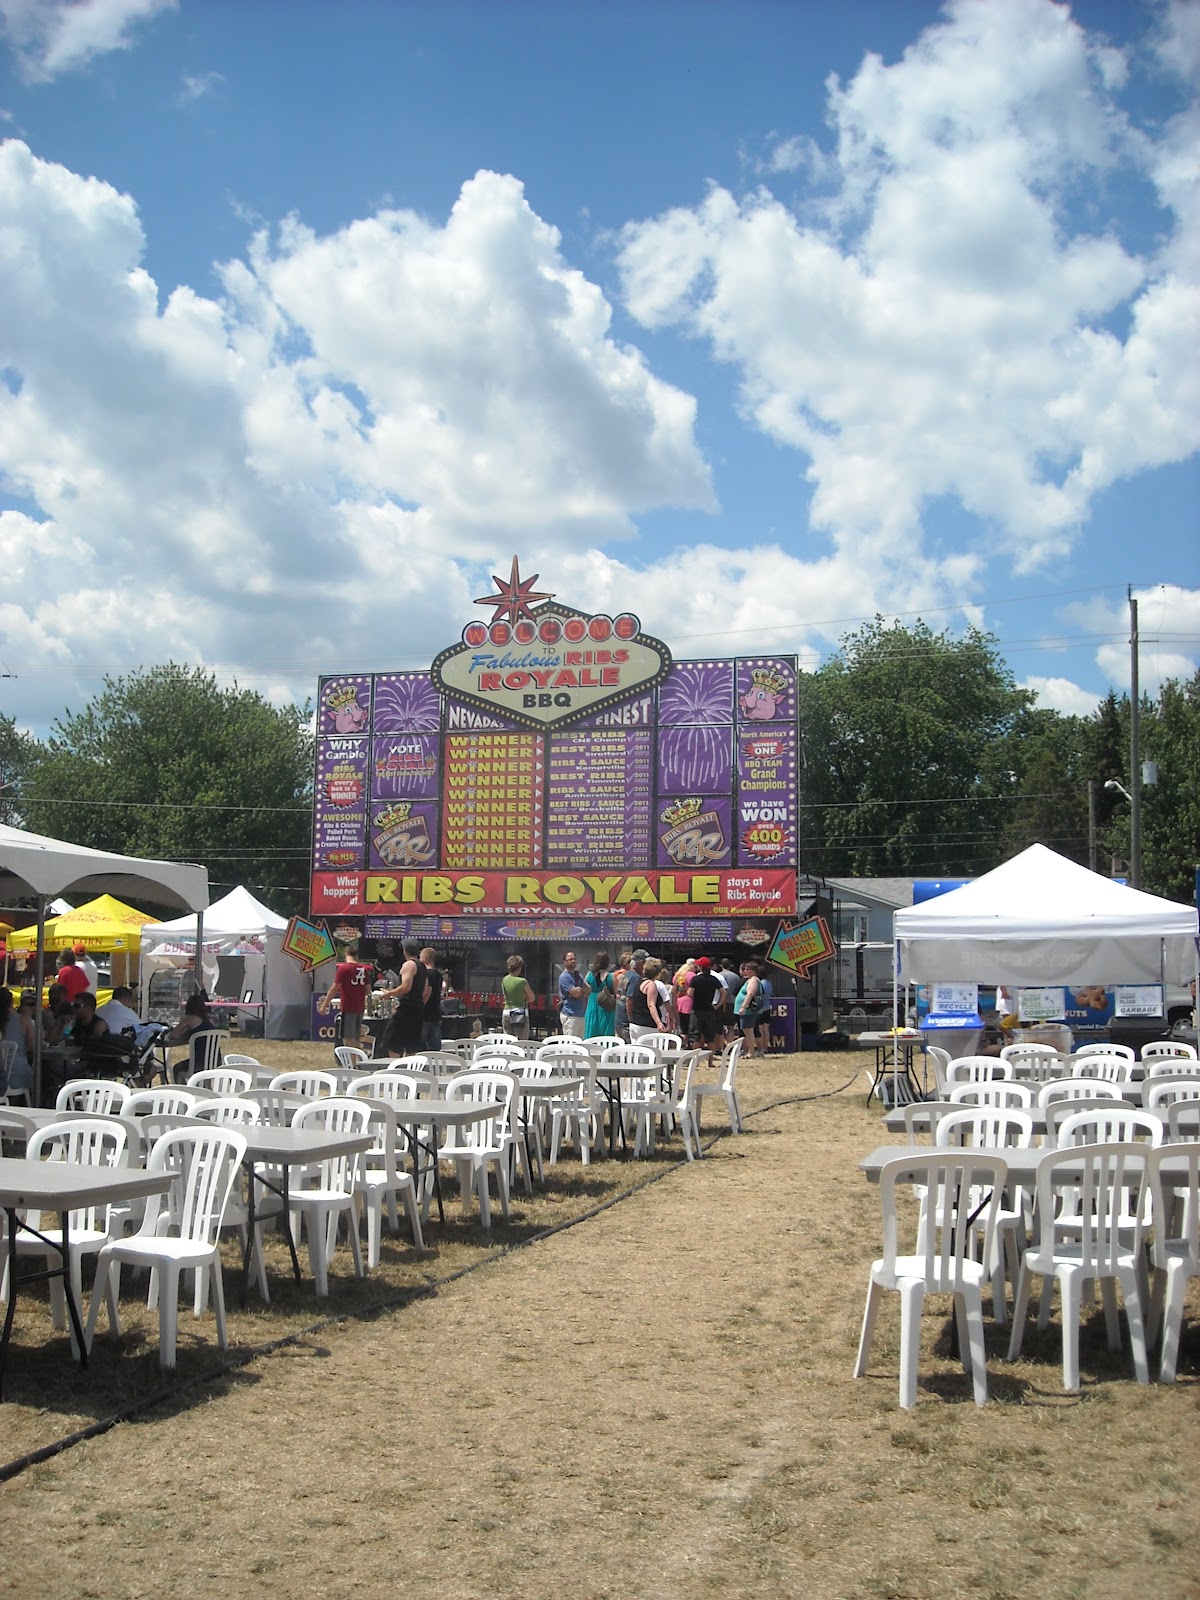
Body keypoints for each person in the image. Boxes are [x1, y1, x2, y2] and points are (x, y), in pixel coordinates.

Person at [375, 942, 428, 1058]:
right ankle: (409, 1070)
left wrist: (389, 993)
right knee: (411, 1045)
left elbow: (406, 987)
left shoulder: (409, 965)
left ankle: (395, 1068)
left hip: (405, 1009)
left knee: (392, 1042)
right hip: (418, 1009)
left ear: (405, 951)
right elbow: (426, 990)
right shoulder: (422, 966)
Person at [319, 944, 372, 1044]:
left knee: (347, 1038)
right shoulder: (364, 969)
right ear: (357, 955)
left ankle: (351, 1059)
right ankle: (357, 1058)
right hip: (360, 1007)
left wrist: (324, 1005)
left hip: (348, 1007)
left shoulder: (344, 969)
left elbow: (334, 989)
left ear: (346, 954)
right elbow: (368, 990)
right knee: (357, 1037)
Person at [0, 986, 35, 1098]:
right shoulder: (23, 1020)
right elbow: (32, 1047)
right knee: (40, 1075)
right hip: (17, 1074)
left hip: (4, 1076)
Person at [688, 956, 725, 1050]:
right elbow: (723, 992)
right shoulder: (713, 979)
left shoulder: (696, 979)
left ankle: (695, 1060)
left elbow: (690, 993)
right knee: (710, 1037)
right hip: (709, 1009)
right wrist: (718, 1005)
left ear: (700, 967)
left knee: (696, 1036)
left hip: (697, 1009)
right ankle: (710, 1061)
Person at [628, 957, 667, 1042]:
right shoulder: (651, 985)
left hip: (635, 1023)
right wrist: (658, 1022)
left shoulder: (638, 983)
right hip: (647, 1025)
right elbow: (651, 1005)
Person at [500, 954, 535, 1040]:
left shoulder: (505, 979)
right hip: (519, 1013)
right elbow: (532, 998)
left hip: (507, 1012)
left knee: (508, 1040)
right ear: (520, 967)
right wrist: (525, 998)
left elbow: (505, 996)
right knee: (521, 1041)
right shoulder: (522, 981)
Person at [734, 962, 764, 1058]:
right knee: (746, 1030)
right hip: (746, 1010)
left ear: (753, 970)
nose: (745, 971)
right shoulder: (750, 980)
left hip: (749, 1010)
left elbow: (750, 993)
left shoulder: (754, 980)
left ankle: (751, 1052)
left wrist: (743, 1006)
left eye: (747, 969)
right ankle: (749, 1051)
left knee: (749, 1030)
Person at [584, 951, 615, 1038]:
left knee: (591, 1028)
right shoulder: (610, 976)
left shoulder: (589, 975)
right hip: (606, 1005)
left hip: (592, 1004)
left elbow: (585, 989)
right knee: (606, 1029)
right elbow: (616, 992)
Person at [557, 951, 587, 1039]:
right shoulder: (564, 977)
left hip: (581, 1014)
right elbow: (576, 994)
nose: (573, 961)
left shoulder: (577, 975)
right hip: (570, 1015)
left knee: (580, 1044)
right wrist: (581, 991)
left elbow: (589, 990)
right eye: (570, 959)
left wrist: (579, 989)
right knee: (571, 1044)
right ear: (564, 962)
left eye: (574, 959)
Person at [420, 948, 445, 1051]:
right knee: (435, 1050)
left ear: (425, 959)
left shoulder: (427, 974)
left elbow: (427, 992)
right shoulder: (438, 975)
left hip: (425, 1016)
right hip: (436, 1015)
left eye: (420, 958)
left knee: (419, 1048)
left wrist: (419, 1006)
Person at [756, 970, 775, 1055]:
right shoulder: (769, 983)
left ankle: (761, 1048)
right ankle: (765, 1047)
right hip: (767, 1007)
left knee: (760, 1029)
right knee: (766, 1029)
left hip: (760, 1008)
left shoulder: (760, 984)